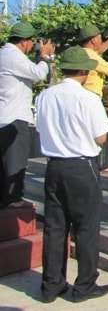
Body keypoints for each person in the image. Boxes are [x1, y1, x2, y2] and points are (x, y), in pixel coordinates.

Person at [35, 46, 108, 303]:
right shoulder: (88, 98)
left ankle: (51, 285)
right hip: (81, 166)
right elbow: (101, 136)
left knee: (55, 227)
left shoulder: (45, 96)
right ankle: (84, 284)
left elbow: (40, 129)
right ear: (83, 71)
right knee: (86, 228)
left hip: (54, 165)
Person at [0, 21, 55, 208]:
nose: (33, 46)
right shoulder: (13, 56)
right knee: (15, 163)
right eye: (33, 42)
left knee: (5, 165)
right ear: (24, 42)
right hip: (13, 119)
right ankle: (14, 202)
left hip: (5, 117)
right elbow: (39, 73)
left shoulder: (5, 54)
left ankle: (8, 201)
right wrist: (44, 55)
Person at [78, 23, 108, 174]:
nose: (101, 40)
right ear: (93, 39)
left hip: (81, 97)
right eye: (100, 37)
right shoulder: (94, 57)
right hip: (92, 98)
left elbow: (98, 51)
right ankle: (102, 165)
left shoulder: (81, 53)